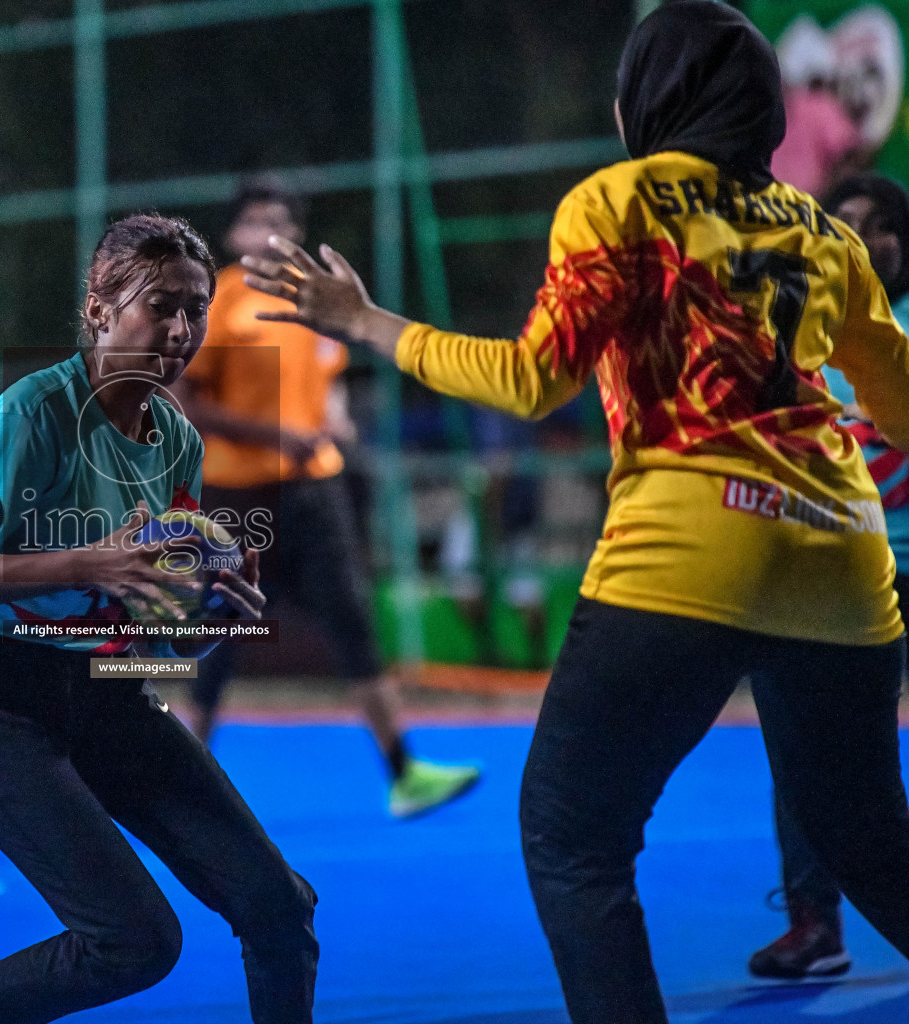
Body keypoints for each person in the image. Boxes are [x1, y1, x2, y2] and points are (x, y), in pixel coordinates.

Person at [241, 4, 909, 1021]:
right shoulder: (826, 231)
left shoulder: (619, 200)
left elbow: (528, 381)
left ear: (654, 95)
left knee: (572, 832)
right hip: (846, 562)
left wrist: (366, 321)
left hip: (689, 550)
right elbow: (901, 407)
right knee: (869, 840)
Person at [0, 214, 318, 1024]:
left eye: (195, 309)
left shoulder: (176, 442)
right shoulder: (29, 418)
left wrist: (208, 617)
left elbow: (157, 620)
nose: (181, 328)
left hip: (104, 678)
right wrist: (88, 560)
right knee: (135, 940)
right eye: (159, 305)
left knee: (278, 907)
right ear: (98, 310)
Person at [175, 178, 480, 818]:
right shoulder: (218, 304)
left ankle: (405, 772)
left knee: (351, 620)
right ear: (233, 236)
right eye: (255, 221)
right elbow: (185, 404)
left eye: (280, 220)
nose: (268, 232)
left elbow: (326, 383)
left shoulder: (315, 302)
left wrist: (334, 418)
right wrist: (275, 433)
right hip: (238, 494)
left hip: (316, 487)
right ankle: (177, 783)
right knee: (215, 635)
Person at [748, 171, 909, 980]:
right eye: (844, 222)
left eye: (878, 224)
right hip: (827, 568)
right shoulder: (801, 325)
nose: (863, 237)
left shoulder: (891, 336)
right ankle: (814, 921)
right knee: (799, 746)